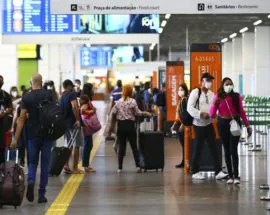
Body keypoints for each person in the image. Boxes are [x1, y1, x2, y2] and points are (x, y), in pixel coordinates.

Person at [10, 74, 54, 203]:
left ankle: (31, 181)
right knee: (45, 164)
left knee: (32, 162)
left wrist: (15, 139)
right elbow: (55, 113)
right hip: (47, 134)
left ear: (31, 82)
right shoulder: (49, 94)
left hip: (31, 135)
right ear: (41, 82)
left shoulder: (27, 96)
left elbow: (21, 119)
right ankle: (41, 194)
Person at [210, 77, 252, 185]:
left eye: (230, 84)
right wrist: (215, 103)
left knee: (233, 150)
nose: (229, 86)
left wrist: (248, 126)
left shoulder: (236, 96)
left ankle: (236, 175)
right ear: (223, 86)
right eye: (226, 84)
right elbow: (212, 113)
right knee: (227, 150)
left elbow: (241, 112)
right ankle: (230, 175)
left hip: (235, 123)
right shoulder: (218, 96)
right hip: (222, 124)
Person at [187, 73, 228, 180]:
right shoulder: (195, 92)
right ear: (202, 81)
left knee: (214, 147)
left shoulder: (212, 94)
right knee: (198, 148)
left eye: (210, 80)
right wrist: (200, 114)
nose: (209, 82)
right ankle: (195, 171)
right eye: (207, 80)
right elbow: (189, 108)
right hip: (198, 125)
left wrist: (214, 114)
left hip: (209, 124)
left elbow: (214, 108)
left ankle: (218, 171)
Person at [111, 84, 152, 173]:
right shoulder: (132, 101)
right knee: (134, 147)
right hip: (130, 126)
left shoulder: (118, 102)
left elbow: (113, 112)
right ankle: (137, 166)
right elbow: (138, 113)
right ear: (130, 92)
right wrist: (146, 113)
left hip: (121, 126)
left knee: (121, 147)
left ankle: (119, 168)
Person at [60, 79, 83, 174]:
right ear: (68, 86)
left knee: (68, 145)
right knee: (76, 145)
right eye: (72, 86)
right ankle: (75, 168)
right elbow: (74, 106)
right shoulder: (72, 94)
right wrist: (77, 120)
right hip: (73, 123)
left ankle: (66, 165)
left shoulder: (62, 96)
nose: (73, 88)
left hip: (65, 124)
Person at [171, 83, 189, 168]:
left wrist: (183, 124)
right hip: (179, 123)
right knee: (183, 145)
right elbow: (178, 114)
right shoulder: (181, 100)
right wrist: (174, 124)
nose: (180, 91)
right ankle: (184, 161)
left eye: (182, 89)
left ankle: (185, 162)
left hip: (182, 125)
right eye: (179, 89)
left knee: (185, 145)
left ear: (185, 90)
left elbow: (185, 114)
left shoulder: (185, 100)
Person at [81, 83, 96, 173]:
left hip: (87, 123)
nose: (93, 90)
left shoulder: (85, 97)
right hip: (87, 124)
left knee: (88, 144)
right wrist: (92, 110)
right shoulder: (86, 97)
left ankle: (86, 165)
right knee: (88, 144)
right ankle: (85, 166)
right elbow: (83, 110)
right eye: (92, 88)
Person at [0, 75, 13, 164]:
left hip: (2, 125)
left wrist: (5, 111)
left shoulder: (5, 95)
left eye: (1, 81)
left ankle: (2, 166)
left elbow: (10, 107)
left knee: (2, 145)